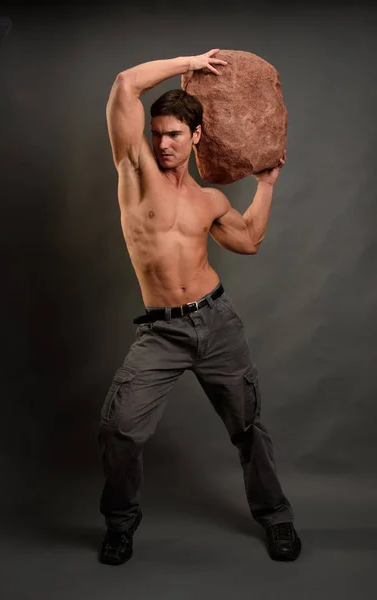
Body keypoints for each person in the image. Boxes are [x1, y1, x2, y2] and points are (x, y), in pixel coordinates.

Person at [98, 49, 301, 566]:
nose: (162, 143)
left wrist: (265, 186)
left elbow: (249, 240)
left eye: (173, 134)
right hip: (161, 334)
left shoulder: (208, 200)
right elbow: (125, 83)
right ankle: (121, 525)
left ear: (196, 137)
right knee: (121, 427)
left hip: (216, 324)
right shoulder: (134, 171)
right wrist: (191, 60)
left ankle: (276, 518)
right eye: (157, 132)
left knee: (248, 427)